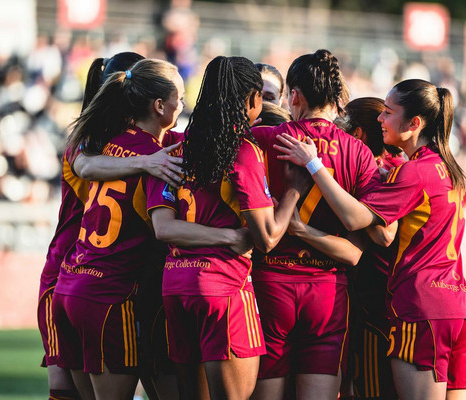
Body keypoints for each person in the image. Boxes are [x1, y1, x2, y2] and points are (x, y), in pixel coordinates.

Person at [52, 58, 251, 400]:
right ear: (160, 106)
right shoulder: (160, 157)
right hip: (110, 294)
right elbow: (164, 228)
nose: (184, 103)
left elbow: (85, 164)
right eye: (180, 97)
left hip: (70, 285)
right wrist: (231, 236)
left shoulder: (106, 142)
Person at [276, 79, 466, 400]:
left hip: (421, 306)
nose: (381, 118)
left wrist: (314, 164)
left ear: (414, 124)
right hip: (459, 306)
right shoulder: (447, 168)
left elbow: (361, 222)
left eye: (389, 112)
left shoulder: (413, 171)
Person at [151, 55, 306, 400]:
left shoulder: (176, 149)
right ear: (252, 99)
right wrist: (294, 190)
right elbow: (266, 238)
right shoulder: (241, 150)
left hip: (176, 285)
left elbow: (163, 228)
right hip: (224, 287)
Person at [249, 49, 384, 400]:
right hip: (327, 289)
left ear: (294, 95)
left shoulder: (264, 139)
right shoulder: (359, 152)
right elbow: (362, 244)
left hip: (269, 283)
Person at [37, 51, 148, 400]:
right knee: (66, 391)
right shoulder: (88, 141)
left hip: (86, 274)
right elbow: (86, 167)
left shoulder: (114, 142)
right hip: (69, 273)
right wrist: (147, 161)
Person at [335, 97, 404, 400]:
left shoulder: (383, 173)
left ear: (357, 134)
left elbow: (383, 235)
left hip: (373, 297)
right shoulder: (400, 167)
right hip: (386, 296)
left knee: (371, 386)